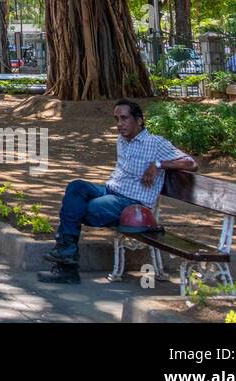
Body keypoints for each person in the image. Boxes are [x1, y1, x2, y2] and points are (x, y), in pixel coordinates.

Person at [37, 99, 197, 284]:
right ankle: (66, 254)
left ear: (139, 120)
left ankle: (67, 267)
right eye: (116, 119)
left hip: (132, 203)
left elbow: (191, 163)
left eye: (124, 118)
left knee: (82, 209)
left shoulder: (155, 143)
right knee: (76, 187)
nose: (119, 124)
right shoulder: (122, 140)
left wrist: (159, 164)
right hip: (110, 191)